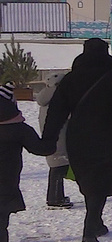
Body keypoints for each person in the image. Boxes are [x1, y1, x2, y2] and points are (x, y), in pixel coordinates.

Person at [42, 39, 112, 242]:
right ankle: (90, 229)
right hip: (111, 137)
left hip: (79, 136)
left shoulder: (71, 79)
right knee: (102, 179)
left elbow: (56, 110)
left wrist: (49, 138)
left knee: (89, 180)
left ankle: (95, 222)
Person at [0, 83, 58, 242]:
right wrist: (51, 135)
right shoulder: (18, 128)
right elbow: (41, 149)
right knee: (1, 212)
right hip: (6, 177)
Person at [36, 72, 73, 209]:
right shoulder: (58, 98)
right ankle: (55, 199)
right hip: (60, 137)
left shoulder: (45, 97)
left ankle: (56, 197)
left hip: (50, 137)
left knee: (56, 165)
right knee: (59, 166)